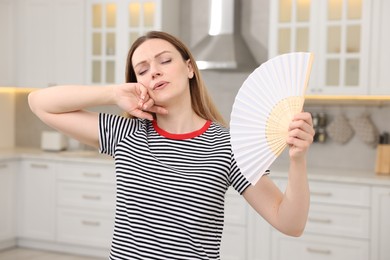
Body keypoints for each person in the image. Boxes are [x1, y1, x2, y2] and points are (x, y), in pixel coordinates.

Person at [28, 31, 314, 259]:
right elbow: (39, 103)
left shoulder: (227, 145)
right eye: (142, 70)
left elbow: (290, 223)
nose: (154, 72)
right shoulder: (126, 133)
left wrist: (297, 160)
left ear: (189, 67)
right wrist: (112, 93)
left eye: (164, 61)